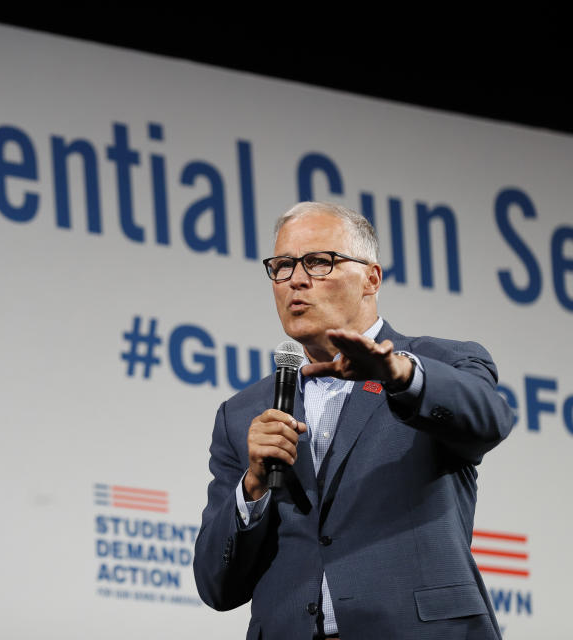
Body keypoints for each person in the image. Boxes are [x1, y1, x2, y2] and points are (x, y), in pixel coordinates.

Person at [193, 202, 513, 640]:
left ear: (371, 278)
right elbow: (216, 585)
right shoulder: (243, 413)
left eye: (319, 262)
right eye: (283, 266)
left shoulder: (440, 362)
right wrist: (252, 488)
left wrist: (399, 374)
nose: (297, 280)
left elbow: (491, 420)